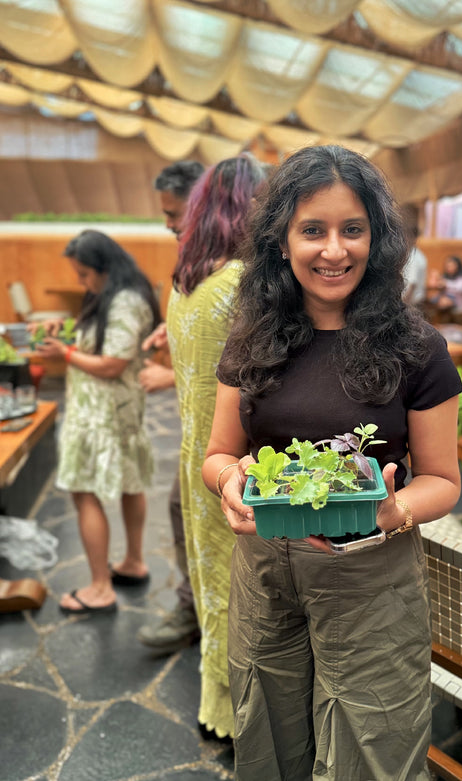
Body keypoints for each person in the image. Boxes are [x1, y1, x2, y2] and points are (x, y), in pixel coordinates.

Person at [202, 145, 462, 779]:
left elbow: (444, 481)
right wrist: (232, 481)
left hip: (371, 575)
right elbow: (218, 455)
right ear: (281, 241)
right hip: (266, 571)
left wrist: (396, 507)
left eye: (353, 230)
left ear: (377, 239)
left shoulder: (416, 346)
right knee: (267, 734)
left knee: (370, 745)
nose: (334, 250)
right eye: (312, 230)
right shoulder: (252, 336)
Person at [164, 154, 268, 739]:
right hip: (236, 463)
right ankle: (240, 716)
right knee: (242, 591)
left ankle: (216, 706)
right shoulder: (242, 286)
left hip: (194, 457)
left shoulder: (185, 283)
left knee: (212, 586)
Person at [36, 230, 161, 613]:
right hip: (115, 412)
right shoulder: (116, 293)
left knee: (83, 490)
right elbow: (102, 343)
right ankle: (134, 562)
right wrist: (67, 331)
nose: (81, 282)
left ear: (105, 268)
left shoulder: (124, 301)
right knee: (129, 482)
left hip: (101, 416)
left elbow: (111, 364)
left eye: (84, 274)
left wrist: (65, 352)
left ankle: (100, 588)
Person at [136, 160, 204, 651]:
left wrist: (172, 372)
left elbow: (230, 355)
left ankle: (198, 609)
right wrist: (171, 331)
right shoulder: (192, 257)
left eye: (173, 212)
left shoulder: (233, 265)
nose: (168, 223)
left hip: (220, 430)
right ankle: (193, 605)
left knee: (189, 511)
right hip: (196, 426)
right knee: (181, 510)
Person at [402, 224, 428, 308]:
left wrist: (403, 306)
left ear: (413, 238)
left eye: (406, 236)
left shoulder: (414, 257)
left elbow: (412, 284)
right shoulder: (413, 254)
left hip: (410, 303)